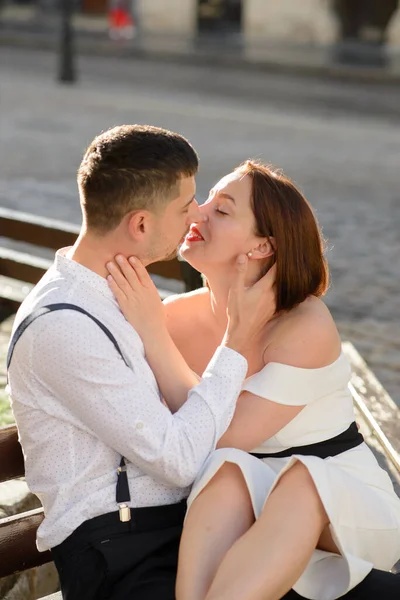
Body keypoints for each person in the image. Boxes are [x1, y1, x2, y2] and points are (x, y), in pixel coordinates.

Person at [107, 160, 400, 600]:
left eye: (222, 211)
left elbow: (216, 437)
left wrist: (157, 336)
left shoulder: (303, 322)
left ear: (263, 246)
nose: (197, 213)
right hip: (246, 499)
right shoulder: (171, 317)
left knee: (300, 479)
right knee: (228, 476)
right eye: (203, 201)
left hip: (341, 501)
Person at [6, 125, 277, 600]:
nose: (197, 213)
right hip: (122, 555)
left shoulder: (117, 292)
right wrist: (237, 342)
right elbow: (177, 460)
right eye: (184, 204)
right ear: (141, 225)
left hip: (174, 531)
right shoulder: (64, 326)